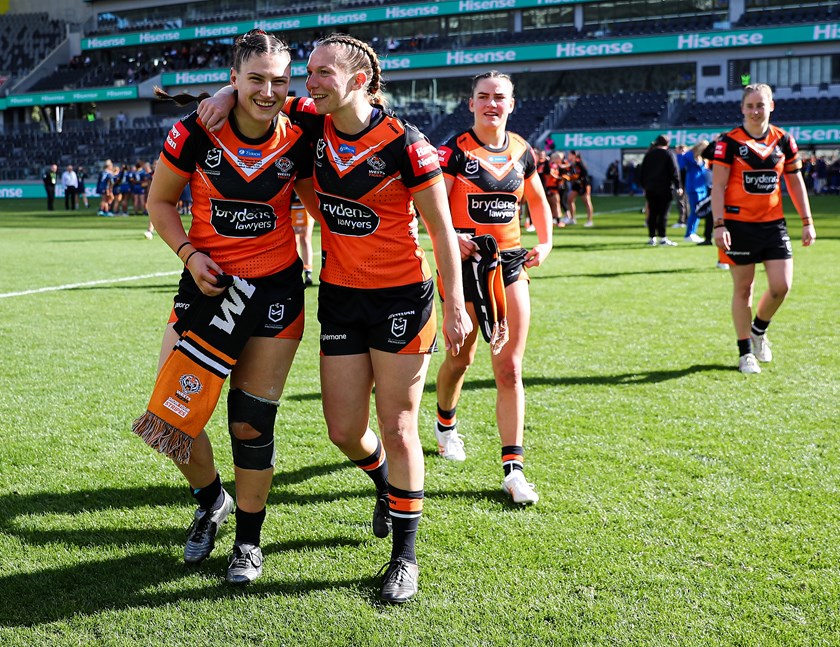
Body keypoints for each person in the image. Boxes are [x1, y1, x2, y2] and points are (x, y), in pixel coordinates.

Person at [198, 33, 471, 604]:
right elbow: (257, 92)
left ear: (360, 81)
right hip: (341, 296)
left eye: (323, 72)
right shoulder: (312, 122)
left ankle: (404, 556)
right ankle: (384, 485)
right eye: (311, 71)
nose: (309, 81)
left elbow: (443, 230)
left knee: (397, 425)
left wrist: (456, 306)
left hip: (402, 298)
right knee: (344, 430)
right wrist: (225, 92)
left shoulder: (407, 144)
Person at [132, 29, 315, 585]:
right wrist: (189, 254)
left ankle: (249, 544)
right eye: (254, 78)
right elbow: (160, 202)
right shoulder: (194, 130)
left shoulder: (303, 126)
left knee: (251, 424)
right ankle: (212, 499)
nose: (268, 90)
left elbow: (352, 111)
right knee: (170, 420)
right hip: (208, 289)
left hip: (277, 294)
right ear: (233, 78)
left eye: (279, 80)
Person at [433, 70, 553, 506]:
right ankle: (446, 423)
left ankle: (514, 471)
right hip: (464, 268)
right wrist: (452, 238)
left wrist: (547, 240)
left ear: (512, 103)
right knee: (460, 359)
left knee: (509, 368)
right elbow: (431, 207)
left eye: (500, 97)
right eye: (483, 97)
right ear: (471, 104)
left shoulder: (524, 151)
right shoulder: (453, 152)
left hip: (511, 265)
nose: (492, 104)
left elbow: (537, 199)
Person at [710, 82, 816, 374]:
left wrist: (807, 221)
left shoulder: (784, 140)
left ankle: (759, 331)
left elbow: (794, 181)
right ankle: (746, 353)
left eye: (760, 105)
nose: (755, 111)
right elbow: (718, 186)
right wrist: (719, 225)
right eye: (750, 106)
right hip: (737, 225)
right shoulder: (728, 143)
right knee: (744, 289)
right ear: (742, 109)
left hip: (773, 224)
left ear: (771, 106)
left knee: (782, 286)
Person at [639, 134, 682, 246]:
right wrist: (678, 186)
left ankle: (652, 237)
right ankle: (663, 237)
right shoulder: (668, 154)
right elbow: (674, 171)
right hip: (665, 188)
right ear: (667, 144)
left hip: (650, 188)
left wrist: (644, 186)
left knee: (652, 213)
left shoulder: (649, 155)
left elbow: (642, 172)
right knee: (663, 213)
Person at [679, 140, 711, 244]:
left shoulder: (702, 157)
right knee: (696, 211)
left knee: (700, 210)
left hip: (702, 186)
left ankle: (693, 232)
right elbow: (680, 164)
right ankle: (689, 233)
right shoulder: (689, 155)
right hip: (694, 187)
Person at [290, 190, 315, 286]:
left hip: (306, 205)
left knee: (305, 239)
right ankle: (296, 273)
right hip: (291, 206)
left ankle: (308, 272)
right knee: (294, 241)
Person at [567, 150, 594, 227]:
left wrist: (577, 179)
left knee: (587, 202)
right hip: (576, 185)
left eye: (570, 155)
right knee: (570, 199)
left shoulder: (580, 163)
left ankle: (589, 221)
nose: (568, 156)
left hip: (583, 185)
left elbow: (584, 174)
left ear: (574, 155)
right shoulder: (572, 164)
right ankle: (572, 219)